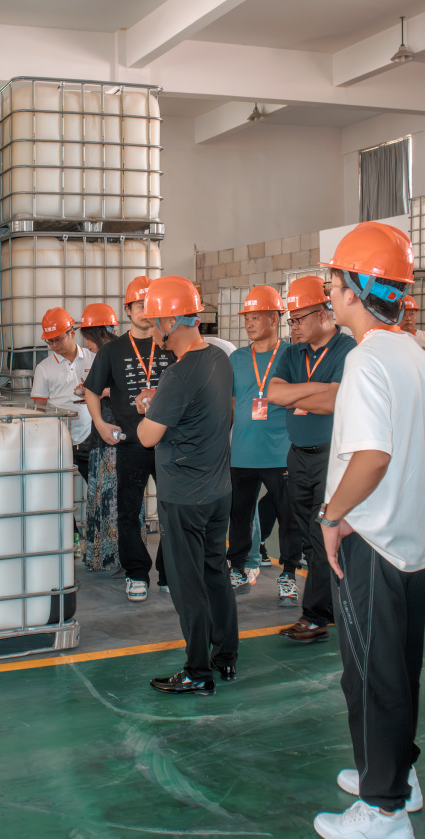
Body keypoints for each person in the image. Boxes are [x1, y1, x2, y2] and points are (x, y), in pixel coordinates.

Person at [313, 222, 425, 839]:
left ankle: (383, 809)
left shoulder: (366, 360)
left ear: (356, 290)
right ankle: (396, 775)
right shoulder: (415, 355)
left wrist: (332, 516)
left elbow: (371, 458)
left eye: (335, 283)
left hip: (373, 540)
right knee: (398, 669)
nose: (329, 294)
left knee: (370, 675)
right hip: (411, 542)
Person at [135, 276, 238, 695]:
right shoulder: (219, 359)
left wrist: (148, 407)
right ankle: (225, 658)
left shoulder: (178, 375)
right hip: (217, 491)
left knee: (186, 584)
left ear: (170, 322)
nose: (153, 330)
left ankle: (198, 671)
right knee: (215, 573)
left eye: (154, 322)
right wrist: (162, 398)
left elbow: (147, 437)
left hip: (183, 497)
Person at [267, 276, 357, 631]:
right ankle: (330, 602)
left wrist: (300, 393)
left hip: (331, 457)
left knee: (324, 532)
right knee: (306, 531)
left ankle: (316, 615)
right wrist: (317, 390)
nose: (293, 326)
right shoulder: (292, 352)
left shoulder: (347, 349)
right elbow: (274, 394)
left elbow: (334, 401)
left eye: (299, 319)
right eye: (291, 320)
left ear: (322, 314)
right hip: (299, 455)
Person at [84, 276, 174, 602]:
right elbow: (91, 390)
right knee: (128, 511)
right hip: (131, 444)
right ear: (128, 310)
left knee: (172, 510)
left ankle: (169, 573)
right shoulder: (113, 350)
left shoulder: (170, 345)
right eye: (139, 306)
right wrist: (100, 423)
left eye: (150, 306)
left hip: (169, 443)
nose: (145, 312)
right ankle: (136, 574)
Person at [226, 285, 297, 594]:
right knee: (239, 516)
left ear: (274, 318)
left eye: (255, 317)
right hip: (242, 453)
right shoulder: (237, 358)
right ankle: (238, 568)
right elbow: (230, 405)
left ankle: (289, 574)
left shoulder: (291, 355)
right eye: (247, 318)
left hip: (281, 453)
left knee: (288, 517)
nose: (249, 323)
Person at [78, 303, 123, 573]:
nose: (85, 344)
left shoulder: (114, 351)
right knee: (105, 493)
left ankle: (111, 556)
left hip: (111, 431)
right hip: (104, 429)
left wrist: (98, 392)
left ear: (99, 332)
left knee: (109, 494)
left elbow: (124, 389)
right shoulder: (112, 352)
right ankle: (106, 556)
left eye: (87, 337)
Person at [30, 307, 95, 480]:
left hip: (90, 436)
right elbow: (39, 409)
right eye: (50, 341)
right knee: (58, 487)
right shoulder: (44, 368)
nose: (54, 345)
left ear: (72, 333)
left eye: (58, 339)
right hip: (58, 439)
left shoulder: (92, 358)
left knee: (97, 486)